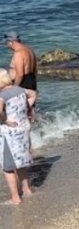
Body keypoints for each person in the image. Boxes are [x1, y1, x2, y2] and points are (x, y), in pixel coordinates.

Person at [0, 68, 37, 204]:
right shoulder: (20, 90)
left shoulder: (2, 95)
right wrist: (27, 107)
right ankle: (27, 190)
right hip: (23, 129)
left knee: (8, 167)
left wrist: (5, 120)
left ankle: (15, 198)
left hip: (10, 134)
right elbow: (33, 93)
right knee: (21, 163)